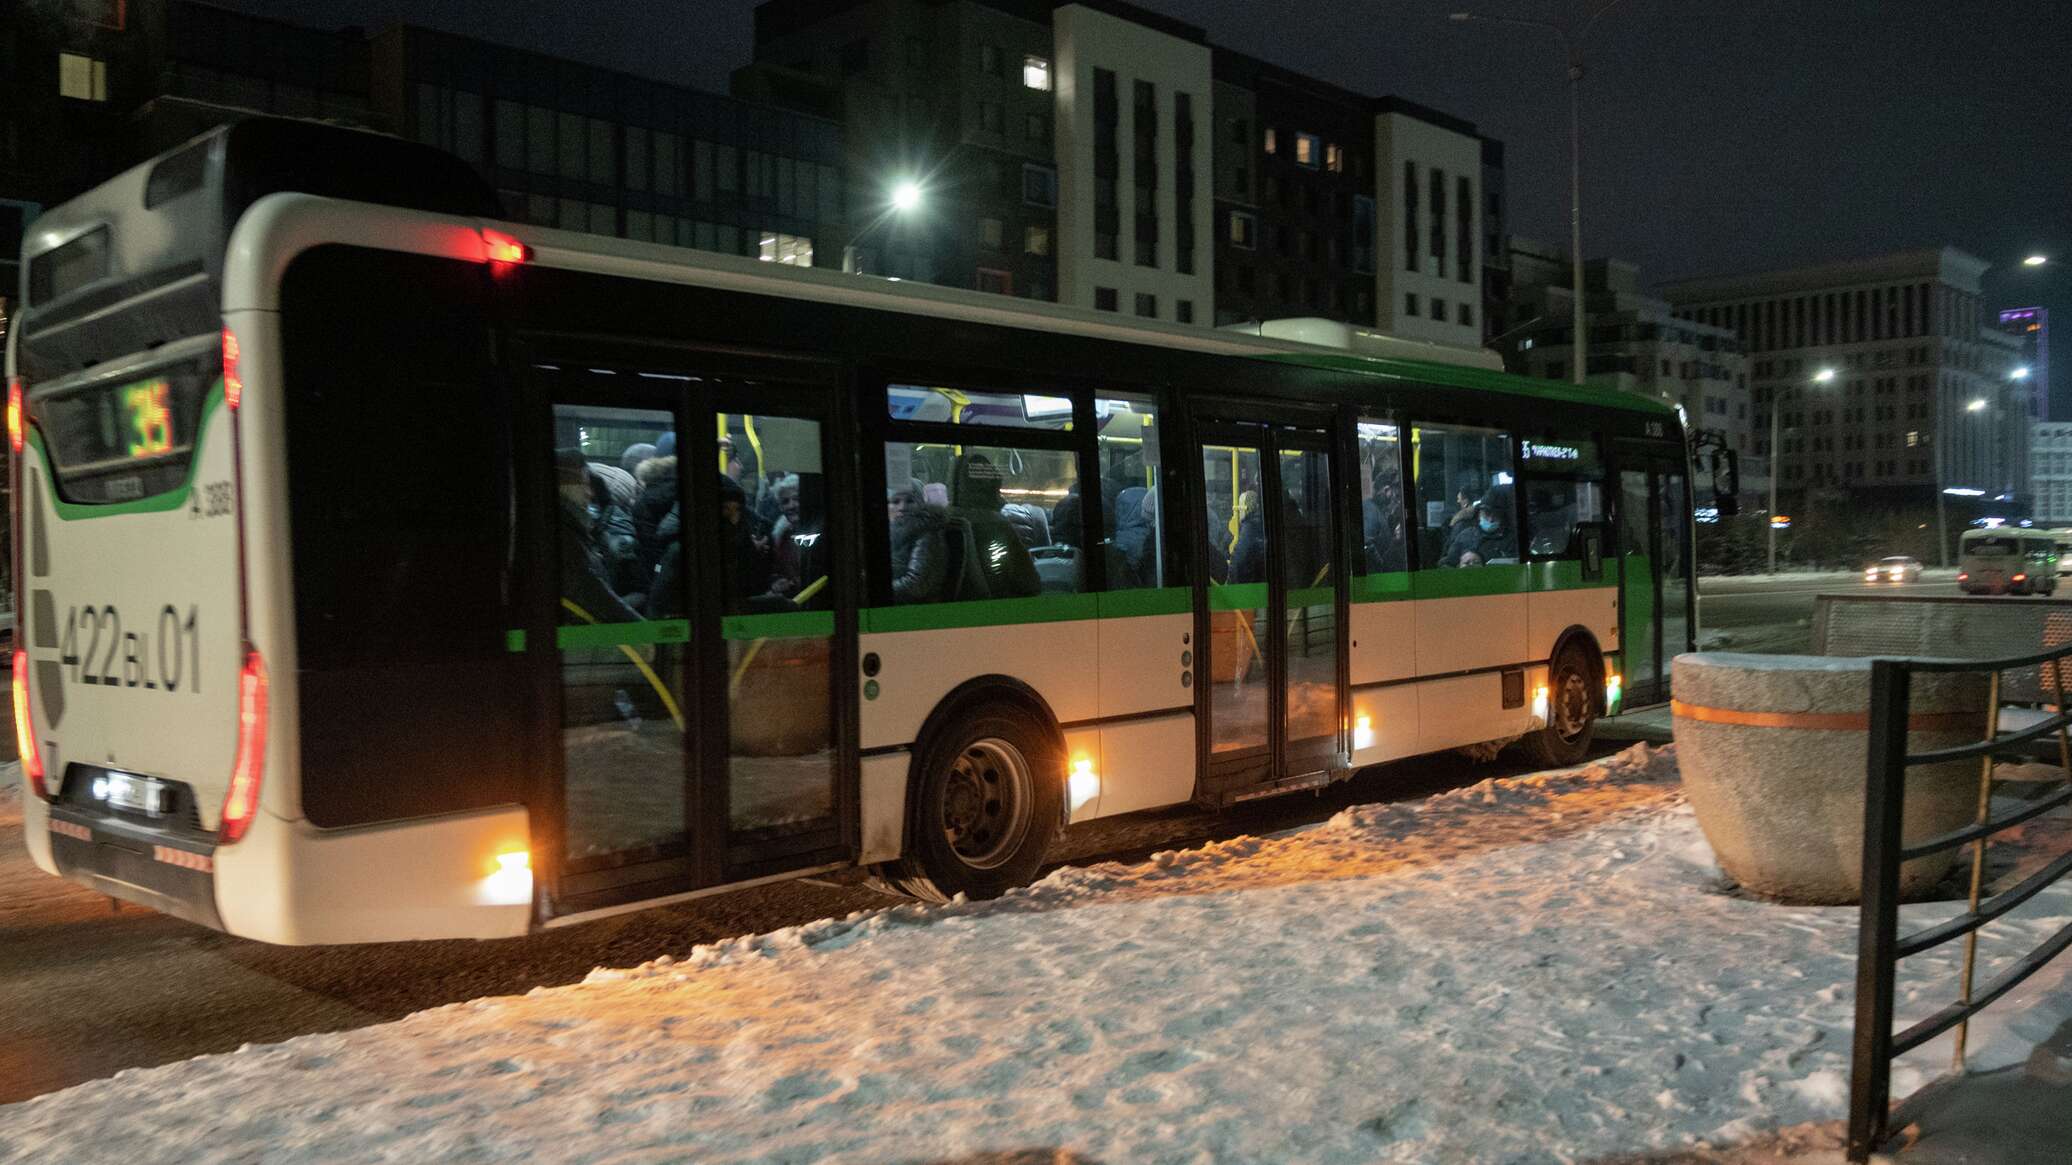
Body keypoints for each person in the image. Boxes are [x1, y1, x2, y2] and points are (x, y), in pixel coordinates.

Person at [556, 449, 645, 625]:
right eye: (584, 484)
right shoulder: (569, 539)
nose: (590, 494)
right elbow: (602, 602)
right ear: (567, 486)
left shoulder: (579, 530)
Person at [888, 483, 948, 603]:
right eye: (895, 501)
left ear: (921, 504)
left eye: (910, 501)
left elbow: (916, 586)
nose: (902, 507)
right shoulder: (893, 530)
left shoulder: (927, 533)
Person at [1228, 490, 1267, 584]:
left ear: (1245, 508)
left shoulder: (1250, 527)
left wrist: (1231, 584)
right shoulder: (1261, 524)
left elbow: (1239, 561)